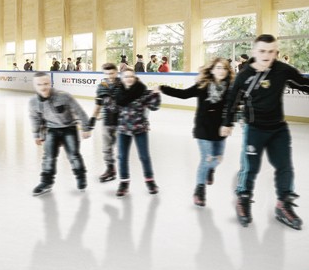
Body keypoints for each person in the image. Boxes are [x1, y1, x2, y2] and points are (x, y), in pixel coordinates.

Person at [224, 34, 309, 230]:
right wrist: (227, 122)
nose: (267, 55)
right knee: (250, 168)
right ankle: (243, 199)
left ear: (276, 53)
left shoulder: (282, 70)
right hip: (254, 129)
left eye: (271, 52)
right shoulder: (244, 75)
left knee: (284, 166)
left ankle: (283, 204)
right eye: (262, 51)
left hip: (278, 129)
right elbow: (232, 100)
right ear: (254, 52)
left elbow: (303, 84)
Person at [160, 58, 233, 207]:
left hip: (220, 129)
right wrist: (162, 88)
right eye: (218, 68)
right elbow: (183, 94)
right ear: (212, 70)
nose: (221, 71)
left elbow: (233, 108)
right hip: (203, 128)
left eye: (224, 68)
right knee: (207, 158)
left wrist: (229, 124)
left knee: (218, 159)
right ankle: (199, 191)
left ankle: (210, 169)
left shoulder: (230, 89)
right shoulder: (202, 86)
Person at [28, 72, 92, 196]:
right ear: (35, 86)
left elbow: (79, 111)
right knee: (48, 157)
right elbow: (35, 118)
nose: (43, 87)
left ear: (50, 83)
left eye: (46, 83)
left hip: (69, 128)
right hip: (51, 129)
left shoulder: (64, 96)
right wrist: (36, 134)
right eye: (39, 84)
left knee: (73, 155)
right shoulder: (33, 102)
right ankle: (46, 182)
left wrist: (86, 127)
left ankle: (81, 177)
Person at [113, 69, 162, 198]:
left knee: (144, 156)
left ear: (135, 78)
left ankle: (150, 181)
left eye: (131, 76)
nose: (129, 78)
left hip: (140, 128)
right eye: (126, 77)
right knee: (122, 157)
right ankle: (124, 182)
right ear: (122, 79)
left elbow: (154, 107)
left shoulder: (143, 92)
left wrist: (156, 95)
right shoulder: (118, 93)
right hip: (123, 129)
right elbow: (113, 108)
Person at [90, 63, 121, 184]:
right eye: (107, 74)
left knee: (121, 149)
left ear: (116, 72)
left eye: (112, 73)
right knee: (106, 148)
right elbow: (98, 104)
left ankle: (124, 174)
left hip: (121, 121)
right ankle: (110, 170)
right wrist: (93, 117)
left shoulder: (123, 85)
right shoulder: (101, 87)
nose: (110, 76)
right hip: (107, 121)